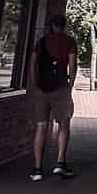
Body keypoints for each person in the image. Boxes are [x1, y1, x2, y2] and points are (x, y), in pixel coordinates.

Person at [29, 12, 78, 181]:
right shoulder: (69, 41)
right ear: (63, 26)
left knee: (41, 127)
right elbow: (72, 67)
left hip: (42, 89)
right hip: (60, 88)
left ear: (50, 25)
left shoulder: (41, 42)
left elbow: (32, 63)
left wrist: (35, 85)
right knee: (63, 125)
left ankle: (37, 169)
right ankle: (60, 163)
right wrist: (70, 85)